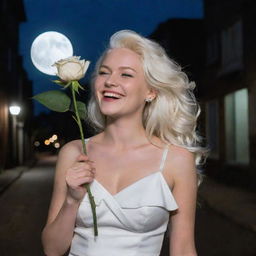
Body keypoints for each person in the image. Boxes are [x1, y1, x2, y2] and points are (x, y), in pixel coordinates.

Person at [42, 30, 206, 256]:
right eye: (103, 72)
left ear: (151, 91)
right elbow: (52, 249)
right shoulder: (74, 152)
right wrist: (71, 201)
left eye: (126, 75)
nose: (110, 81)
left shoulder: (176, 159)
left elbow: (184, 249)